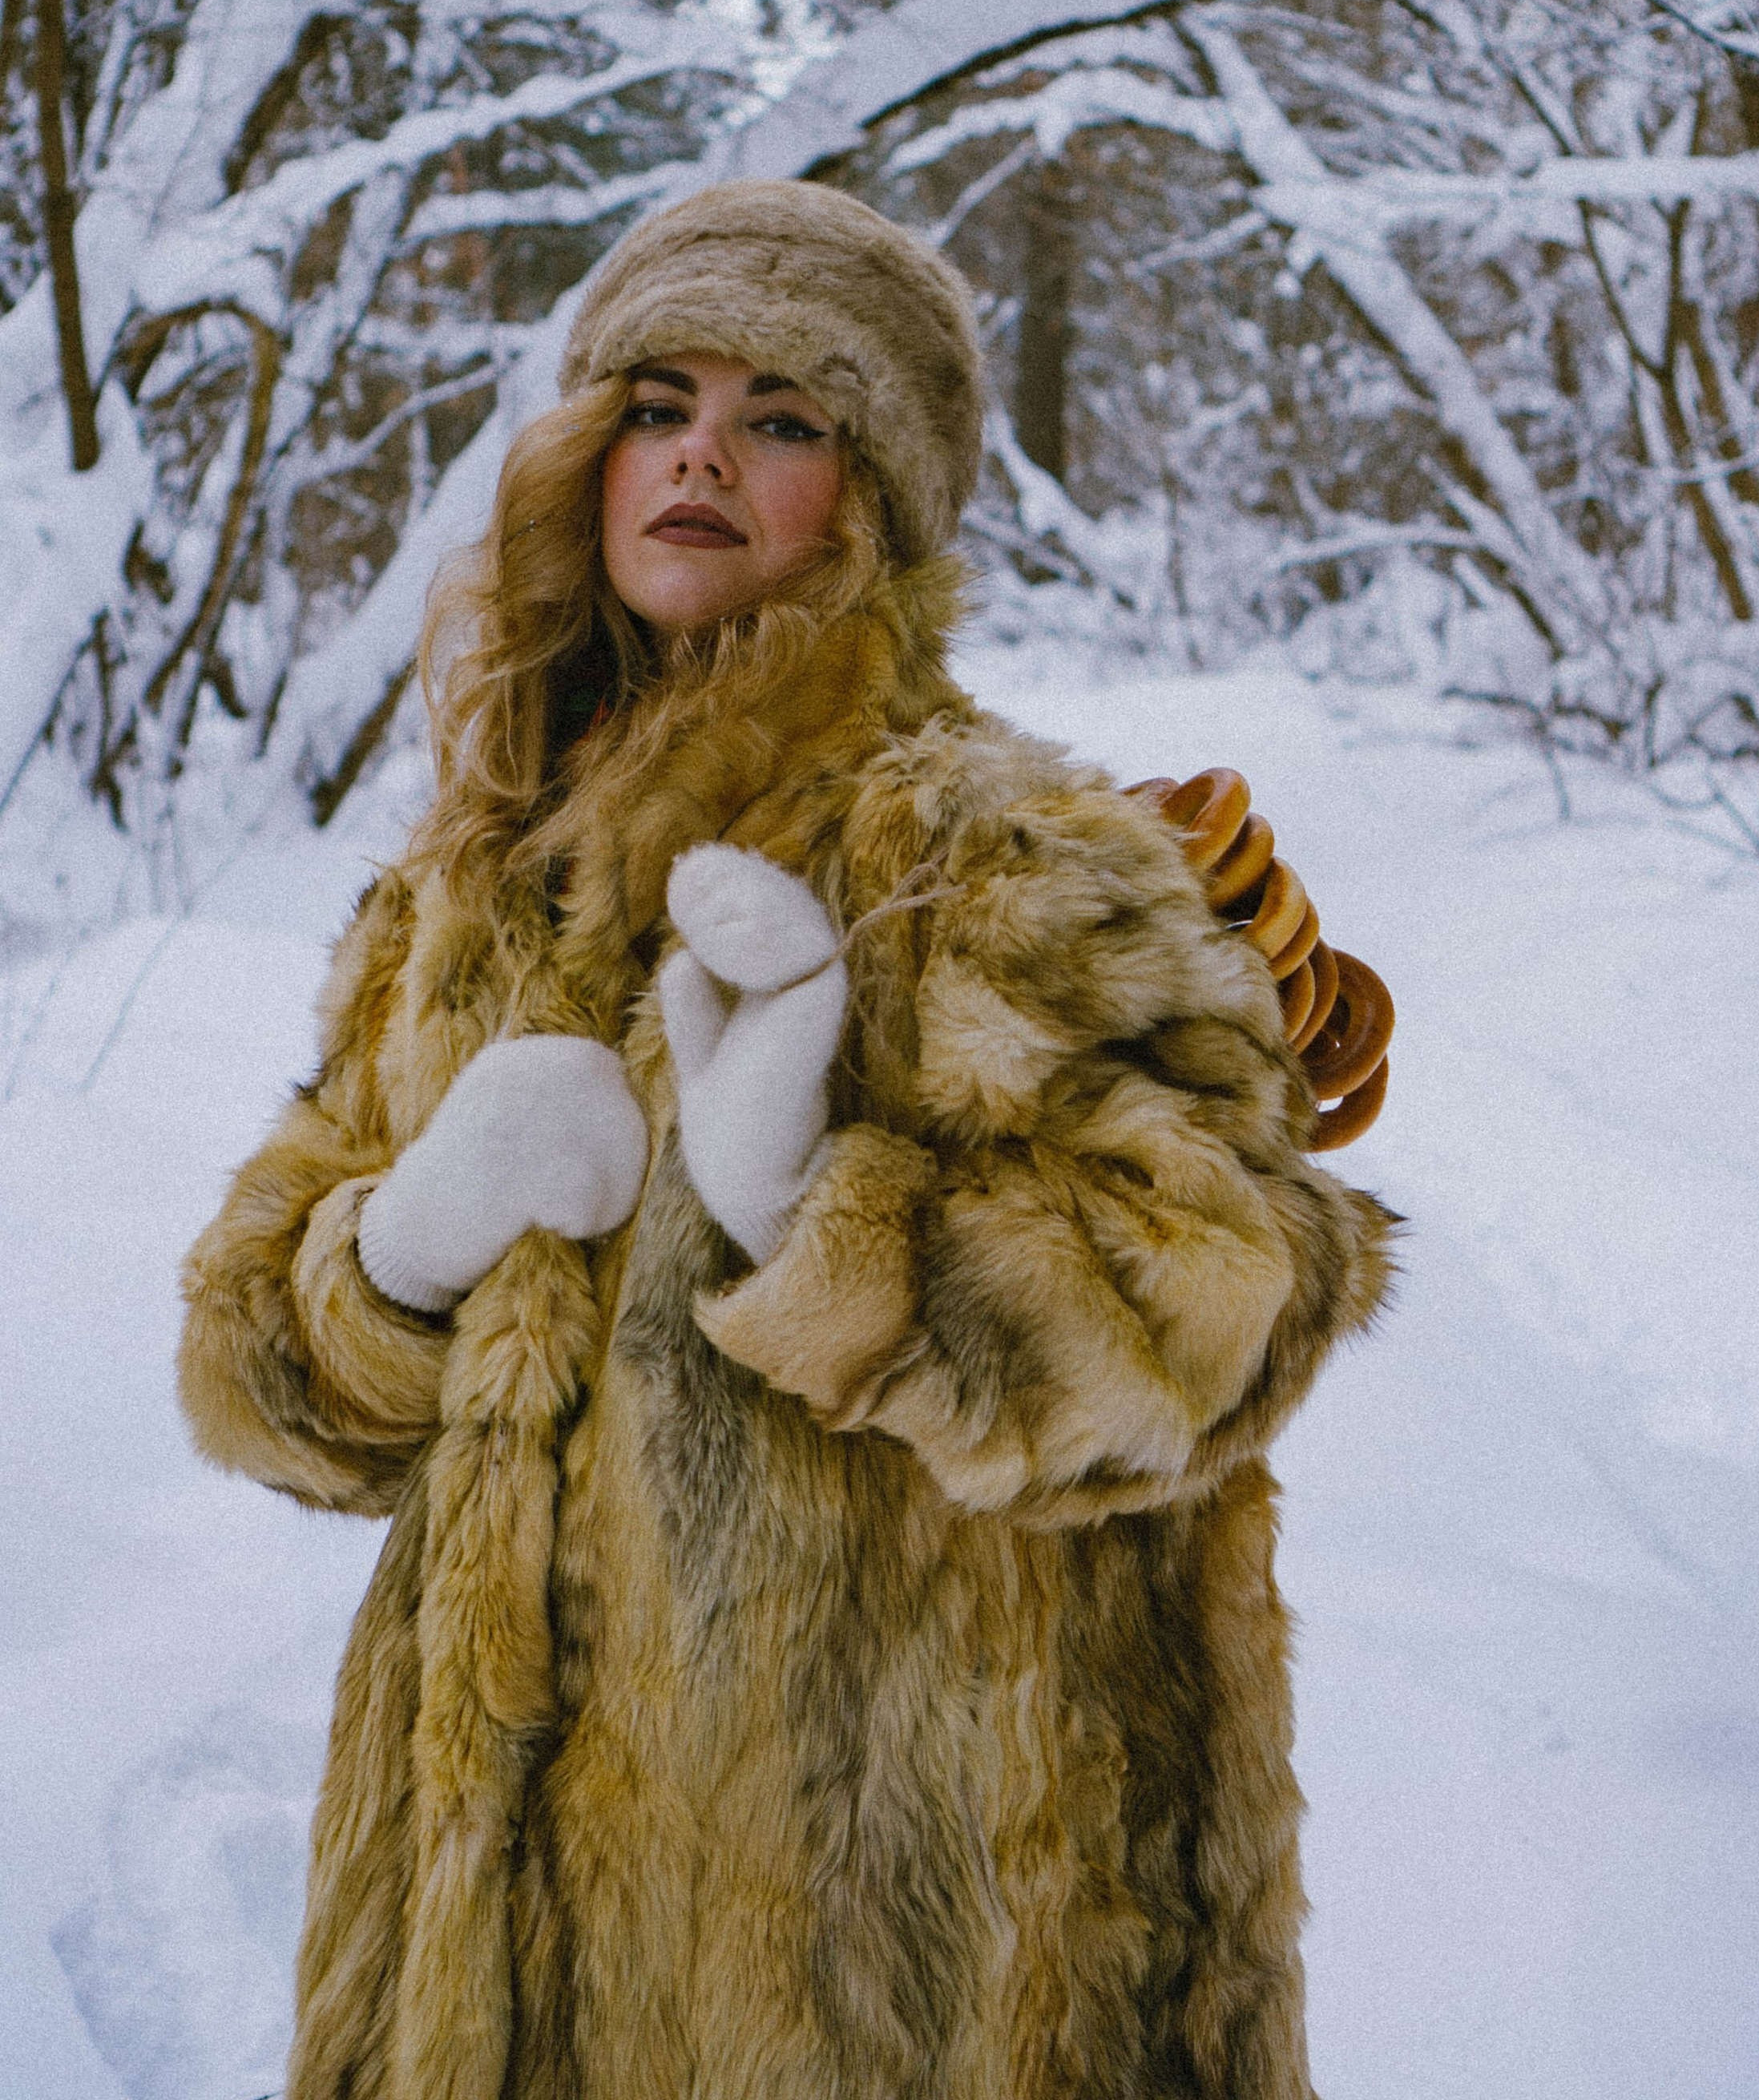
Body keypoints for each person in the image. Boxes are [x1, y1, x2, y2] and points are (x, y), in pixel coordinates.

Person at [178, 178, 1396, 2100]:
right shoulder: (470, 889)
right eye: (658, 403)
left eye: (784, 420)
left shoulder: (982, 851)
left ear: (878, 495)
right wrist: (404, 1246)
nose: (702, 459)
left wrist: (814, 1222)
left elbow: (1217, 1313)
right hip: (481, 1955)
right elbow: (254, 1375)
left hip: (896, 1961)